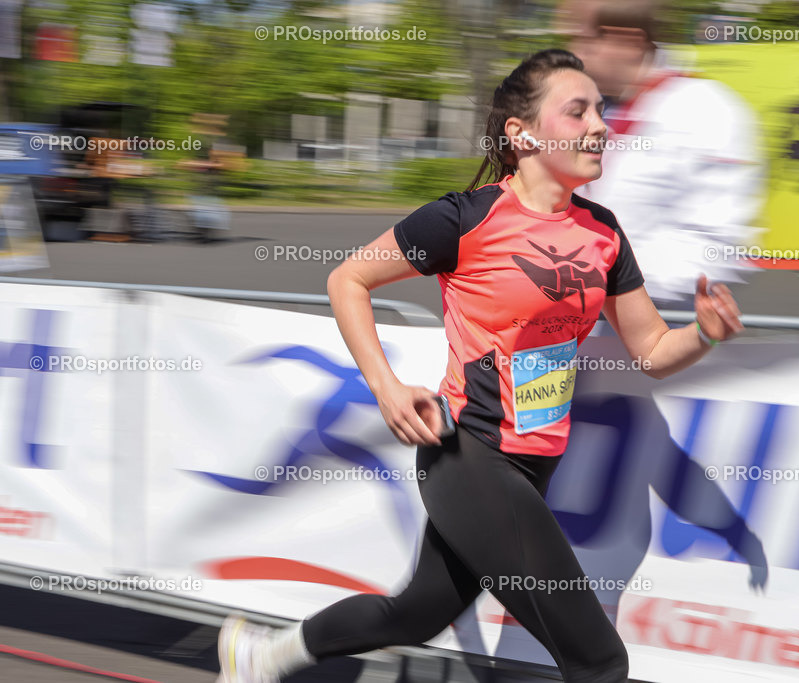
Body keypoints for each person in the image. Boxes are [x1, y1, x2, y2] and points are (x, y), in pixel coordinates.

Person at [215, 48, 743, 683]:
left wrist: (705, 334)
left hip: (535, 463)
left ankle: (262, 657)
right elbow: (348, 278)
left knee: (413, 615)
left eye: (601, 109)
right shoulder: (467, 219)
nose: (599, 125)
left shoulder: (604, 233)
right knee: (600, 660)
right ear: (521, 135)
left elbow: (653, 352)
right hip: (467, 455)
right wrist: (385, 387)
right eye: (577, 111)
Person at [568, 1, 763, 311]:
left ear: (627, 41)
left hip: (659, 329)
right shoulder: (592, 111)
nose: (574, 55)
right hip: (580, 322)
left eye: (583, 40)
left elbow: (716, 249)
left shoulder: (707, 110)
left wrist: (600, 273)